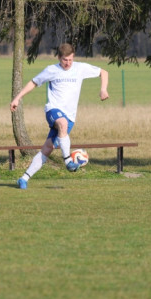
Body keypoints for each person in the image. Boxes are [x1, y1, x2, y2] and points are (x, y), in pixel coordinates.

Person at [10, 43, 109, 190]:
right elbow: (33, 82)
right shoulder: (51, 70)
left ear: (73, 57)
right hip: (53, 110)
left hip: (70, 117)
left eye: (70, 60)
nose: (68, 63)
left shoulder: (80, 68)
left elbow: (104, 72)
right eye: (64, 60)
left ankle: (24, 178)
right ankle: (68, 161)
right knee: (61, 123)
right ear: (59, 58)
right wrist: (17, 98)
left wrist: (103, 89)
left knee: (47, 149)